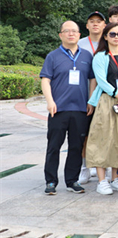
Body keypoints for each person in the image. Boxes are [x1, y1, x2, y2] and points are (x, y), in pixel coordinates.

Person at [41, 21, 96, 195]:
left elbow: (92, 79)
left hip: (80, 109)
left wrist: (91, 100)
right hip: (58, 109)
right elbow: (45, 80)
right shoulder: (53, 56)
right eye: (67, 31)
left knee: (76, 147)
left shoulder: (87, 56)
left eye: (74, 31)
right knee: (54, 146)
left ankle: (72, 181)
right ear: (60, 35)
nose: (71, 34)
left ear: (79, 35)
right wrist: (50, 101)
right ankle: (51, 181)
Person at [86, 23, 118, 195]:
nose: (116, 37)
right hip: (108, 101)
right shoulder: (100, 56)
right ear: (105, 36)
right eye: (112, 34)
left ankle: (115, 178)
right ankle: (102, 180)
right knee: (103, 139)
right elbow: (101, 81)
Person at [77, 10, 106, 184]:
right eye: (92, 21)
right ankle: (85, 168)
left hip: (106, 97)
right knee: (85, 134)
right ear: (87, 25)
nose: (95, 24)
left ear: (104, 24)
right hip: (84, 96)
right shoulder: (79, 44)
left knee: (105, 133)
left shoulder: (110, 42)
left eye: (99, 21)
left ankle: (105, 168)